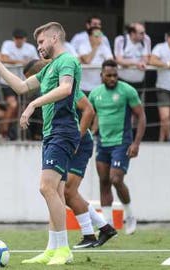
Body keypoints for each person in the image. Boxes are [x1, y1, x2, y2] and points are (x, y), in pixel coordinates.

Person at [0, 22, 80, 265]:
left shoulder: (66, 61)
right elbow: (20, 86)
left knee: (46, 188)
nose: (38, 47)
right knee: (56, 191)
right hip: (52, 133)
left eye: (41, 42)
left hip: (63, 130)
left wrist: (33, 104)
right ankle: (53, 248)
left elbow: (66, 88)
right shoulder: (49, 68)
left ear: (55, 38)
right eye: (37, 42)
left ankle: (63, 250)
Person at [23, 59, 117, 249]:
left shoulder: (63, 86)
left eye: (32, 78)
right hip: (67, 140)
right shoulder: (50, 90)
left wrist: (78, 138)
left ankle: (92, 233)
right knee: (64, 191)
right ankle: (101, 228)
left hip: (78, 142)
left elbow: (89, 110)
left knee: (66, 190)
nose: (34, 85)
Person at [89, 59, 147, 235]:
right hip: (102, 143)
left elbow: (141, 116)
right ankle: (107, 225)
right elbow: (92, 116)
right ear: (102, 76)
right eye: (109, 75)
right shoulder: (95, 94)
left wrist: (136, 143)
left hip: (122, 143)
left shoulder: (127, 91)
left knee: (116, 179)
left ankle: (129, 215)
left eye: (115, 75)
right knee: (104, 182)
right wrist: (89, 135)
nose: (112, 78)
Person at [0, 29, 39, 139]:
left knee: (22, 108)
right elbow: (4, 59)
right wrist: (23, 62)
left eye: (21, 39)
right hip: (7, 82)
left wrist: (15, 61)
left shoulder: (30, 48)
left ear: (25, 39)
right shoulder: (7, 44)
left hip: (24, 83)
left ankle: (19, 134)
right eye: (17, 38)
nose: (19, 41)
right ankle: (4, 131)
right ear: (13, 38)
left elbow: (36, 63)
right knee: (13, 105)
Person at [114, 23, 151, 93]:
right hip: (122, 80)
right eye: (141, 33)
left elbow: (146, 57)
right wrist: (137, 63)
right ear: (132, 33)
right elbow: (119, 60)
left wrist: (143, 62)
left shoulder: (146, 39)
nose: (144, 35)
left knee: (136, 103)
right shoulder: (120, 40)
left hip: (139, 81)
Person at [78, 27, 114, 93]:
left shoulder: (104, 47)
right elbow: (87, 60)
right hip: (84, 86)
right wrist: (95, 47)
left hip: (99, 86)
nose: (100, 37)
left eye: (101, 35)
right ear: (90, 37)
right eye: (97, 35)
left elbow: (111, 62)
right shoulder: (83, 46)